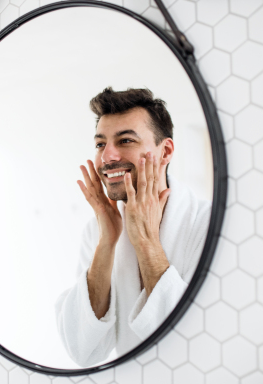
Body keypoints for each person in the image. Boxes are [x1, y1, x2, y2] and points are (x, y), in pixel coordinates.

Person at [55, 88, 211, 367]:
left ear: (165, 151)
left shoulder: (205, 222)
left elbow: (197, 343)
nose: (108, 157)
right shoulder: (97, 231)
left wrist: (147, 242)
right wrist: (107, 242)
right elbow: (82, 349)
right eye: (101, 144)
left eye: (125, 140)